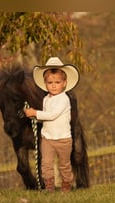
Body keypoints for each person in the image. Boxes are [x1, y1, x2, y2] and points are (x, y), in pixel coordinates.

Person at [24, 57, 80, 192]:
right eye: (50, 82)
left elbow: (52, 115)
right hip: (48, 138)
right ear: (45, 83)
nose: (53, 85)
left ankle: (66, 186)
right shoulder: (46, 99)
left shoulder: (64, 99)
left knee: (64, 165)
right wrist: (35, 118)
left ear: (64, 83)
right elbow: (47, 118)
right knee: (46, 164)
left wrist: (35, 113)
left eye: (57, 82)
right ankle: (49, 187)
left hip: (63, 139)